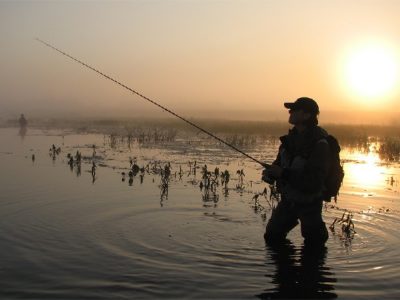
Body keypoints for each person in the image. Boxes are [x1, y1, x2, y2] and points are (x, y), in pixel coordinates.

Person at [262, 97, 330, 246]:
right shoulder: (289, 140)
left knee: (315, 243)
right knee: (272, 236)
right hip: (289, 199)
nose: (290, 112)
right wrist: (271, 173)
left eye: (295, 109)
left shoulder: (320, 144)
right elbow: (279, 164)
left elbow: (314, 181)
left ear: (307, 115)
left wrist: (283, 174)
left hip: (309, 202)